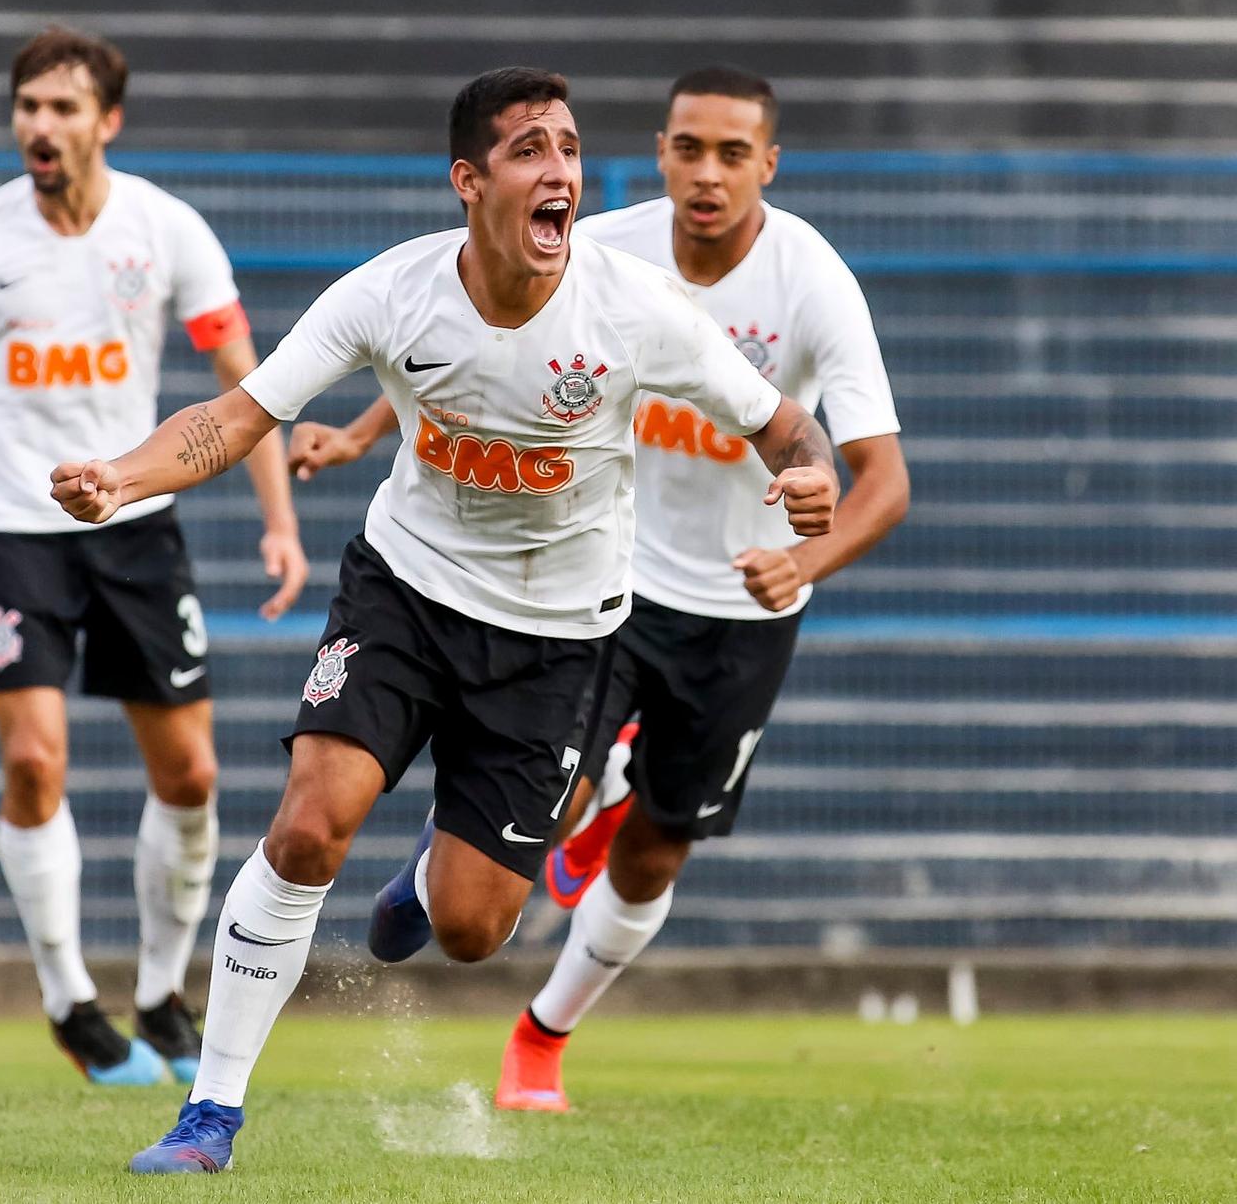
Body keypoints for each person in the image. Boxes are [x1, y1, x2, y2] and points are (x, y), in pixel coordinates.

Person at [50, 67, 840, 1173]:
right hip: (407, 593)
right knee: (310, 822)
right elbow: (238, 415)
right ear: (470, 183)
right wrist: (122, 479)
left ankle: (426, 877)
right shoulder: (389, 292)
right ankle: (208, 1116)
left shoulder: (636, 311)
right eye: (529, 150)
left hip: (560, 638)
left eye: (567, 147)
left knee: (474, 929)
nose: (559, 168)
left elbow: (787, 427)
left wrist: (810, 485)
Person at [294, 65, 909, 1113]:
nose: (704, 174)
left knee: (658, 846)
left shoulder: (811, 280)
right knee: (558, 799)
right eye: (686, 149)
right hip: (606, 587)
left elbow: (883, 483)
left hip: (744, 611)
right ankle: (471, 867)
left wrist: (800, 554)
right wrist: (358, 431)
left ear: (769, 163)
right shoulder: (594, 247)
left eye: (730, 154)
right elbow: (476, 365)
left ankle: (543, 1035)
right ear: (660, 150)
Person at [0, 26, 309, 1087]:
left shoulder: (167, 229)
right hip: (14, 527)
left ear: (108, 120)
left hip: (135, 524)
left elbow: (247, 383)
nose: (39, 127)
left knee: (190, 773)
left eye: (62, 108)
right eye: (27, 107)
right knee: (31, 760)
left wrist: (277, 520)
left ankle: (158, 990)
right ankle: (68, 999)